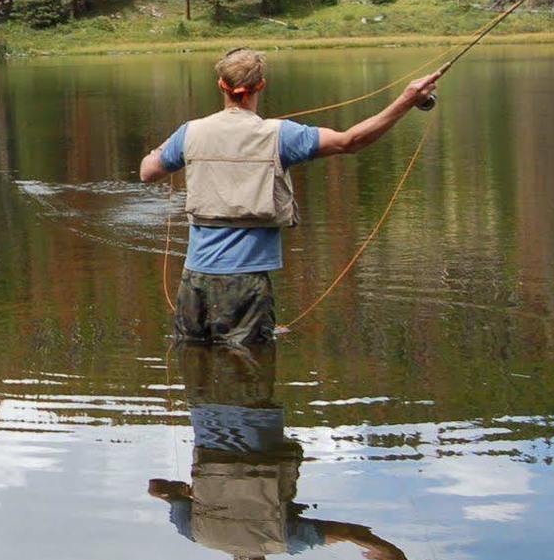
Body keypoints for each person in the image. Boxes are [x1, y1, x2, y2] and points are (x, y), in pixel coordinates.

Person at [138, 47, 440, 347]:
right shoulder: (280, 135)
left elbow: (147, 172)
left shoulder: (190, 132)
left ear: (221, 85)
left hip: (195, 280)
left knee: (194, 364)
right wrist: (406, 101)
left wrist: (166, 147)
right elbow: (351, 141)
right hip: (246, 282)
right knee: (249, 371)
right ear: (261, 86)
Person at [148, 344, 441, 560]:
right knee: (211, 343)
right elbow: (156, 487)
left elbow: (357, 534)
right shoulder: (194, 533)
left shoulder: (286, 540)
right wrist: (178, 492)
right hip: (206, 413)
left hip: (259, 417)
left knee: (249, 347)